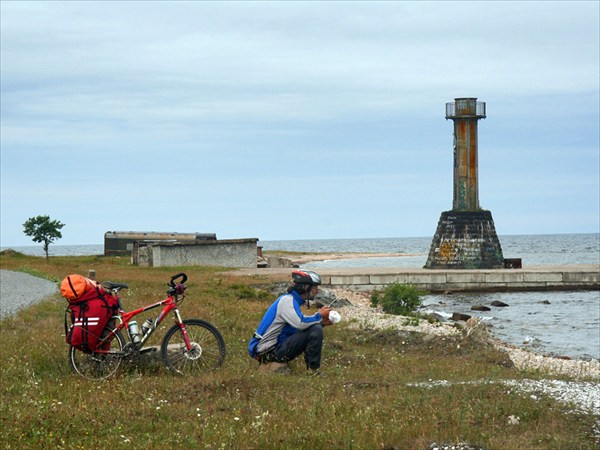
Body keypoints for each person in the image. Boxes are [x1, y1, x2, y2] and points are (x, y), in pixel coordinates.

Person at [248, 270, 332, 375]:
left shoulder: (290, 300)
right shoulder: (287, 301)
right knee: (316, 330)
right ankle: (313, 372)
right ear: (306, 287)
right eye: (315, 288)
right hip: (267, 351)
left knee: (316, 327)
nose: (317, 291)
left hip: (270, 349)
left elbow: (298, 326)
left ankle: (312, 370)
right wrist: (319, 316)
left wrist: (322, 322)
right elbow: (300, 323)